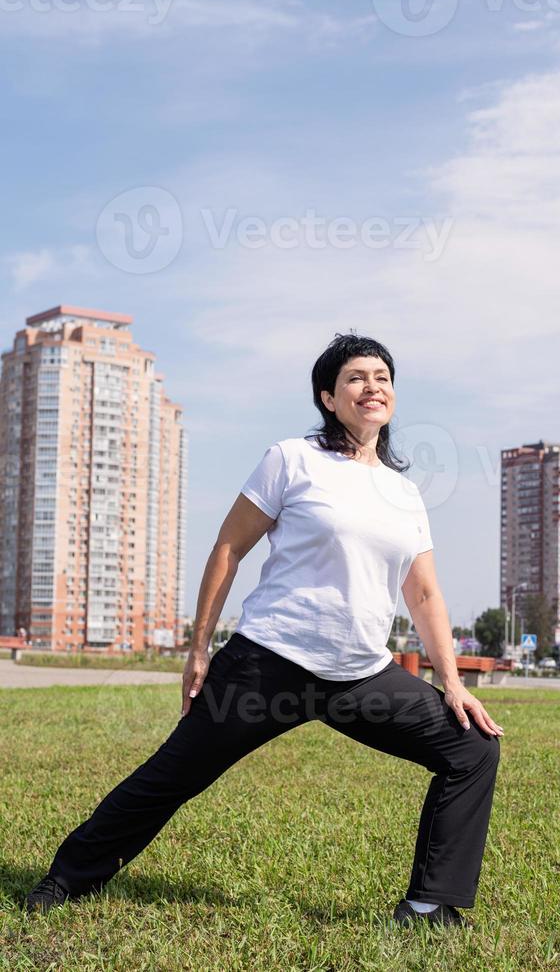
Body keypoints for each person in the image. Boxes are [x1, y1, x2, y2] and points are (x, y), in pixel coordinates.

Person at [26, 333, 503, 928]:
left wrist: (452, 683)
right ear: (329, 398)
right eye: (356, 378)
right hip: (270, 662)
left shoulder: (404, 493)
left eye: (382, 377)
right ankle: (63, 881)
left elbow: (424, 593)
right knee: (173, 776)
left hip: (360, 674)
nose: (372, 386)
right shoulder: (293, 459)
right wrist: (200, 647)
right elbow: (229, 548)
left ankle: (429, 906)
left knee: (471, 747)